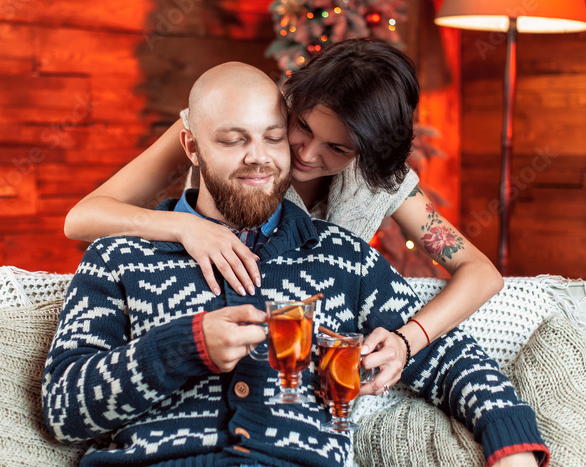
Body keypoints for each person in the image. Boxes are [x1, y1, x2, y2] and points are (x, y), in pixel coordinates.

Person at [43, 62, 559, 467]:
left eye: (271, 137)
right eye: (232, 139)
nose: (261, 158)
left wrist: (512, 447)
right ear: (191, 145)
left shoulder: (340, 258)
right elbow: (64, 406)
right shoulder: (124, 250)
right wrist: (183, 348)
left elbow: (454, 354)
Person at [64, 40, 503, 393]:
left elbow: (480, 273)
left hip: (302, 378)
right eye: (303, 128)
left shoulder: (379, 179)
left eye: (338, 149)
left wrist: (409, 340)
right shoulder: (240, 122)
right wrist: (186, 226)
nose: (307, 155)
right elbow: (83, 218)